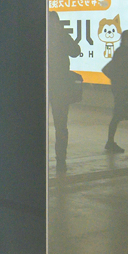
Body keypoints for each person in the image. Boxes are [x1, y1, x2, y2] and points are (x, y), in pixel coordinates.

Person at [48, 11, 81, 174]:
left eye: (55, 23)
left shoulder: (62, 37)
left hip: (59, 87)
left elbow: (75, 51)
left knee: (61, 125)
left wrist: (63, 36)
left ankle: (61, 159)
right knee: (60, 125)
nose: (53, 26)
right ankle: (60, 160)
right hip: (51, 86)